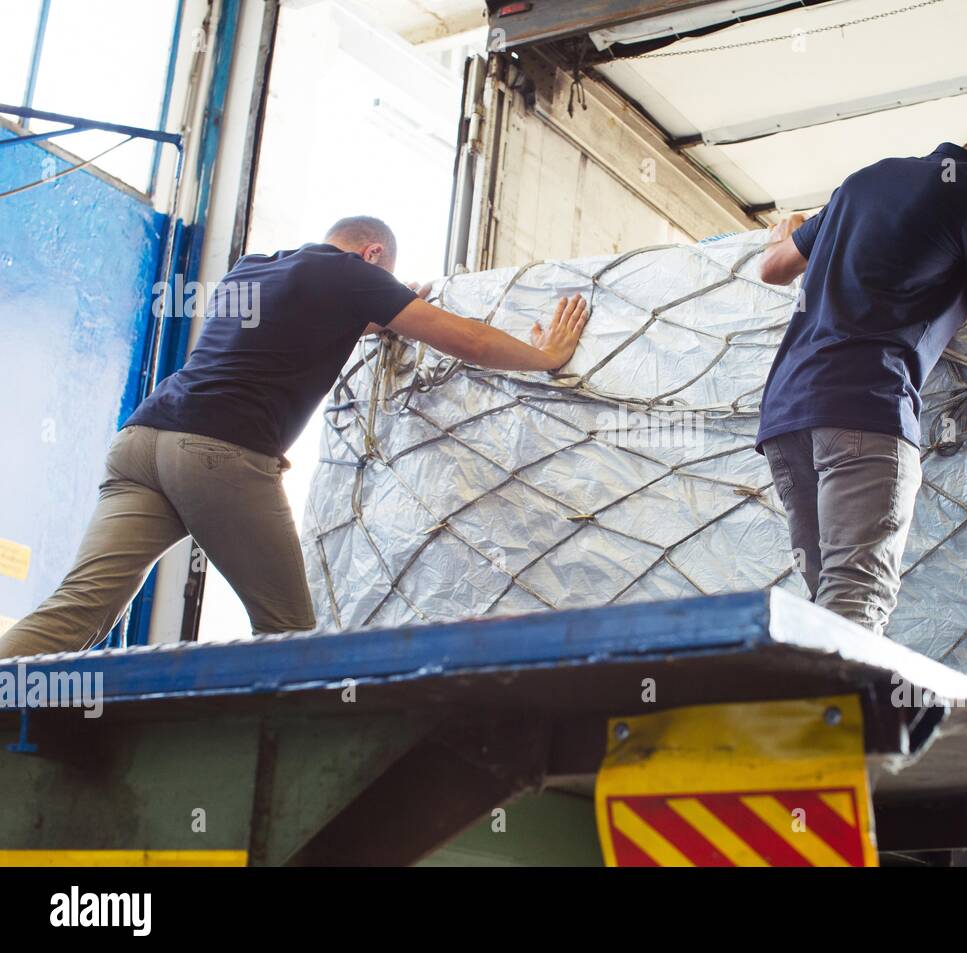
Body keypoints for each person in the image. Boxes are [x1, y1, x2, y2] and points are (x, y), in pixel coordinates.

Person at [0, 216, 588, 657]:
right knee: (288, 636)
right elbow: (468, 340)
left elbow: (291, 328)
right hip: (217, 454)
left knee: (75, 612)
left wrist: (380, 308)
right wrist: (545, 355)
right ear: (373, 253)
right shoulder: (354, 275)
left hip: (141, 441)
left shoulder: (255, 266)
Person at [756, 90, 967, 633]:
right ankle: (840, 718)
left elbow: (773, 268)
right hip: (866, 409)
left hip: (787, 415)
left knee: (828, 606)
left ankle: (810, 711)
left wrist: (789, 232)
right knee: (856, 601)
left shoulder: (868, 179)